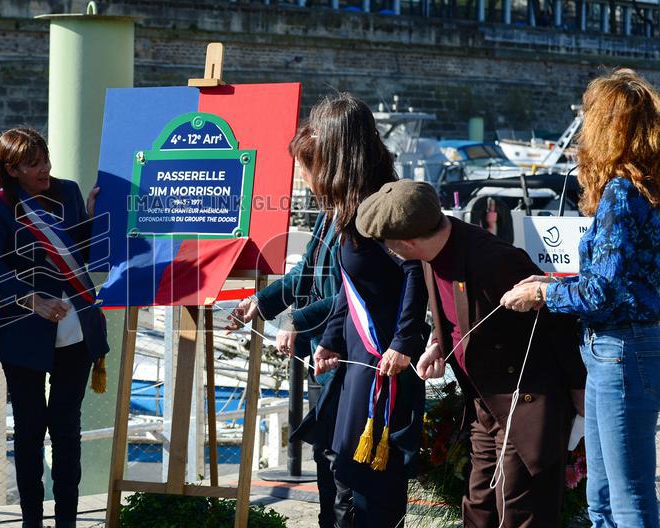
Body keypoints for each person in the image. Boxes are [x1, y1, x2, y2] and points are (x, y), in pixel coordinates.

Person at [358, 179, 586, 526]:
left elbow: (560, 323)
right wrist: (438, 344)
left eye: (390, 246)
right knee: (479, 505)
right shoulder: (432, 247)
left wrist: (578, 392)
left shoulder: (494, 259)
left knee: (519, 508)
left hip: (526, 402)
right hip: (483, 402)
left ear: (405, 243)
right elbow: (453, 316)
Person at [501, 68, 660, 528]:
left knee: (621, 499)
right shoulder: (648, 189)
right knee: (605, 494)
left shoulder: (620, 193)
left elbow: (600, 292)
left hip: (619, 351)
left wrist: (542, 293)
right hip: (627, 348)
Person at [307, 93, 428, 527]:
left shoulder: (382, 201)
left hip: (384, 361)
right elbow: (349, 287)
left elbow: (416, 270)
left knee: (369, 483)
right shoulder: (347, 205)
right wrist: (331, 339)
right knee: (341, 467)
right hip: (356, 355)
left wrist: (404, 341)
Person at [0, 127, 108, 528]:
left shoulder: (67, 192)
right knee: (31, 429)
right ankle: (32, 520)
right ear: (12, 168)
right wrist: (29, 298)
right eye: (34, 164)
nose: (45, 169)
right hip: (24, 330)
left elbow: (81, 252)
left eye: (46, 159)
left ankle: (67, 519)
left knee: (66, 427)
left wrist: (88, 215)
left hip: (76, 326)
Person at [226, 124, 342, 528]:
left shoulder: (355, 215)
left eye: (304, 169)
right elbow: (304, 271)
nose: (301, 179)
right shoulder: (331, 214)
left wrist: (297, 319)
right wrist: (259, 303)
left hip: (345, 353)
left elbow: (352, 295)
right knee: (326, 455)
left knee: (340, 461)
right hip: (322, 355)